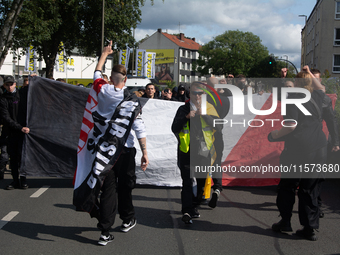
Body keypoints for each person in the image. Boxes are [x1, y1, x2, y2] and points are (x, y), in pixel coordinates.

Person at [89, 41, 149, 245]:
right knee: (126, 186)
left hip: (105, 149)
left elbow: (96, 73)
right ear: (126, 79)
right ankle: (127, 218)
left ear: (111, 78)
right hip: (126, 149)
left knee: (108, 190)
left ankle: (105, 232)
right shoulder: (132, 100)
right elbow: (139, 127)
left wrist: (105, 53)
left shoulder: (103, 91)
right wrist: (145, 152)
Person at [269, 71, 339, 241]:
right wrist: (336, 141)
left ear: (297, 83)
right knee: (310, 188)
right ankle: (309, 228)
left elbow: (291, 126)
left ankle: (285, 221)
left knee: (288, 185)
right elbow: (331, 119)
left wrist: (275, 135)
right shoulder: (321, 97)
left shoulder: (294, 97)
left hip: (297, 148)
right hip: (319, 147)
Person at [172, 82, 221, 224]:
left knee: (201, 183)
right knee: (187, 182)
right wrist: (186, 117)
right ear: (189, 94)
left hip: (204, 152)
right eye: (194, 93)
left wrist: (205, 115)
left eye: (200, 93)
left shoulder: (210, 108)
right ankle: (187, 210)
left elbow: (220, 126)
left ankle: (194, 206)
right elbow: (174, 127)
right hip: (186, 151)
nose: (197, 96)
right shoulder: (183, 109)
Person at [0, 76, 30, 189]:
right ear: (4, 85)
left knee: (22, 157)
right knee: (12, 158)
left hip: (23, 132)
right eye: (7, 84)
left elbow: (33, 88)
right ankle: (15, 180)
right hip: (12, 132)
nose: (9, 86)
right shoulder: (3, 99)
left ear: (15, 84)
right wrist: (19, 127)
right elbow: (6, 118)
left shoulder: (21, 94)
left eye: (11, 84)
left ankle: (23, 180)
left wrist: (33, 78)